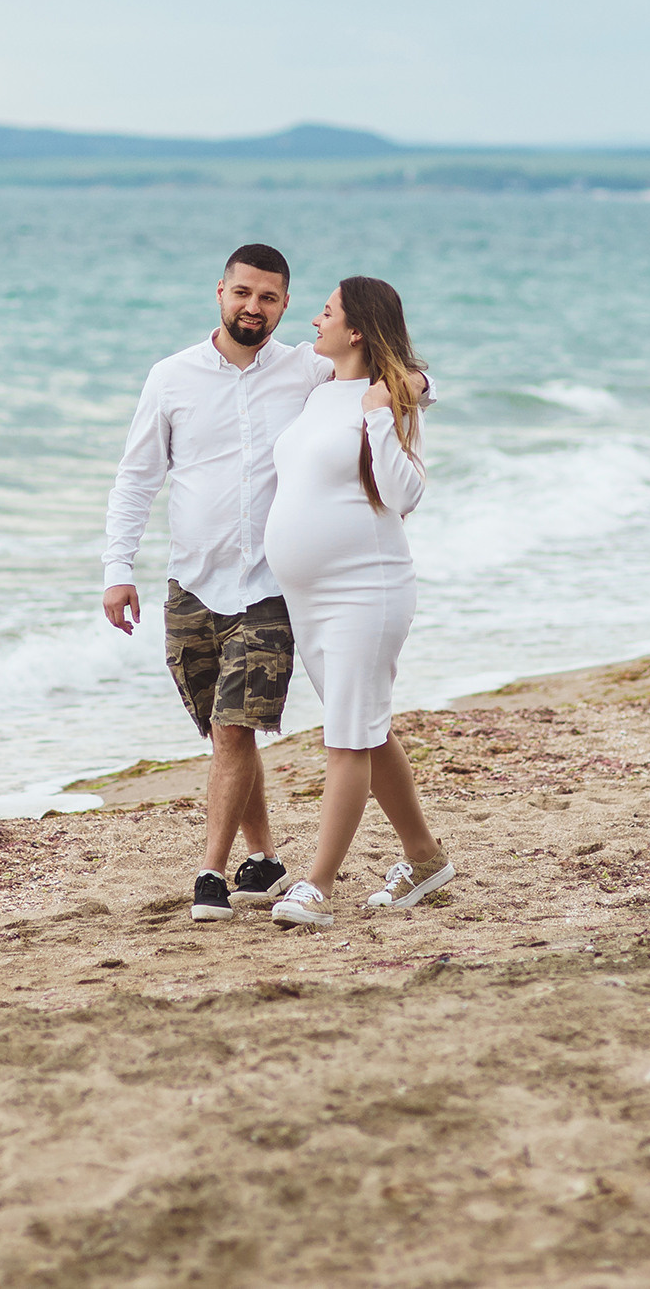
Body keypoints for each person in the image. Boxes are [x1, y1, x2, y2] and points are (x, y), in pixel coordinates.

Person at [101, 245, 320, 922]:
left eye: (270, 297)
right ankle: (266, 858)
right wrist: (118, 570)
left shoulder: (308, 370)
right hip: (191, 583)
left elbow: (393, 374)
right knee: (230, 731)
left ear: (285, 304)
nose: (254, 307)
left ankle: (210, 873)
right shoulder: (171, 377)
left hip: (270, 584)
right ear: (219, 291)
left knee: (232, 728)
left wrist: (420, 387)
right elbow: (137, 478)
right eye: (243, 292)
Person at [266, 277, 453, 929]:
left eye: (326, 311)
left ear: (356, 330)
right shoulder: (320, 389)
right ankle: (425, 858)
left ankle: (316, 885)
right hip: (308, 597)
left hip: (365, 588)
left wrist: (384, 407)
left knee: (348, 734)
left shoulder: (386, 397)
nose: (314, 319)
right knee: (366, 730)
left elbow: (405, 493)